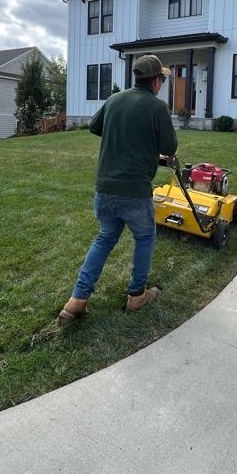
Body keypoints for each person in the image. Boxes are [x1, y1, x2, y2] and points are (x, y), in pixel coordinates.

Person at [58, 55, 178, 322]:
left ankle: (77, 300)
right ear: (156, 81)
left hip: (104, 190)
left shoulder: (114, 99)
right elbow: (169, 148)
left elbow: (94, 126)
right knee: (145, 237)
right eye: (163, 78)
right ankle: (137, 296)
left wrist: (124, 136)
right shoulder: (157, 107)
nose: (162, 82)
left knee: (105, 238)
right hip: (134, 191)